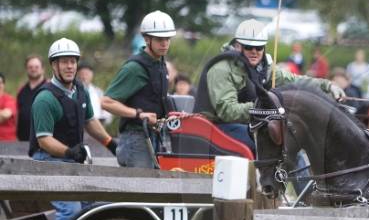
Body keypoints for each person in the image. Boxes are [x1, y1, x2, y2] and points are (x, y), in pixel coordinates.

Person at [194, 19, 344, 153]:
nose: (254, 52)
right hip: (216, 127)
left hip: (249, 123)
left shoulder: (264, 68)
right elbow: (228, 112)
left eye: (259, 47)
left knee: (290, 142)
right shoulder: (221, 69)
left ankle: (300, 177)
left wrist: (327, 86)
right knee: (268, 145)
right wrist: (264, 106)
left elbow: (294, 81)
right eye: (249, 47)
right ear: (238, 46)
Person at [30, 38, 116, 220]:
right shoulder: (45, 99)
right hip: (47, 161)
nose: (70, 66)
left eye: (73, 61)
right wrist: (69, 152)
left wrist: (110, 143)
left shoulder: (80, 90)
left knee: (90, 209)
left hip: (72, 160)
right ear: (54, 65)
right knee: (70, 211)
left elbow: (89, 121)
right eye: (64, 62)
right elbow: (44, 140)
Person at [102, 10, 175, 168]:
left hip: (154, 137)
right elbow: (106, 102)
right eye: (159, 39)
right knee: (142, 184)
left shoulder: (161, 64)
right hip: (135, 140)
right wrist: (138, 114)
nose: (164, 43)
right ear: (147, 39)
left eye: (167, 38)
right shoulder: (135, 68)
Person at [16, 55, 46, 141]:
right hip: (22, 140)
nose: (33, 69)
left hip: (43, 140)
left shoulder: (50, 88)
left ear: (43, 69)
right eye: (30, 67)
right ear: (26, 69)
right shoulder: (21, 89)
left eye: (36, 67)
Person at [0, 74, 17, 141]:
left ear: (3, 85)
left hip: (7, 142)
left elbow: (6, 115)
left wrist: (3, 115)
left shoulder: (9, 99)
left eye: (0, 83)